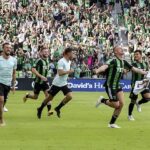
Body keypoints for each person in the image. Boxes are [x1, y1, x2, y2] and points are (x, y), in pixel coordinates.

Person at [94, 46, 147, 128]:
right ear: (115, 52)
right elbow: (104, 66)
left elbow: (135, 69)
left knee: (121, 104)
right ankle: (102, 100)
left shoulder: (123, 62)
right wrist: (97, 70)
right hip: (110, 85)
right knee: (116, 105)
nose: (122, 49)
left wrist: (144, 72)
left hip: (118, 85)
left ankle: (111, 123)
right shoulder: (112, 60)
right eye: (119, 49)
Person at [37, 47, 74, 119]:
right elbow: (60, 73)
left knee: (70, 96)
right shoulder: (61, 61)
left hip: (63, 83)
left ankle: (58, 108)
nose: (73, 55)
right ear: (68, 53)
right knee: (49, 98)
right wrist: (69, 72)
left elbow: (64, 72)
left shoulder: (69, 61)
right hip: (57, 83)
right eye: (72, 53)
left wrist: (67, 76)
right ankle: (40, 108)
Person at [23, 48, 52, 113]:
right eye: (45, 52)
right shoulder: (39, 60)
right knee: (35, 97)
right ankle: (27, 95)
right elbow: (33, 69)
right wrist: (41, 76)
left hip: (45, 82)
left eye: (47, 51)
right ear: (41, 53)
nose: (46, 53)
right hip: (38, 82)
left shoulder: (47, 60)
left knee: (48, 96)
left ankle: (49, 111)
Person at [128, 50, 150, 121]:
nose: (135, 56)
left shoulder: (146, 63)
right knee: (132, 101)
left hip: (143, 83)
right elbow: (129, 70)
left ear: (141, 55)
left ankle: (139, 103)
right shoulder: (133, 64)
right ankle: (130, 115)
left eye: (137, 54)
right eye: (135, 55)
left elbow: (147, 72)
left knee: (148, 98)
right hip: (135, 84)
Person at [0, 42, 17, 126]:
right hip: (0, 82)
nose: (8, 49)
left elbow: (14, 73)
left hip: (8, 83)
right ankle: (1, 120)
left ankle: (1, 112)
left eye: (9, 48)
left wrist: (13, 86)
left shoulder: (14, 60)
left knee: (3, 102)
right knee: (1, 100)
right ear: (3, 49)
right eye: (6, 47)